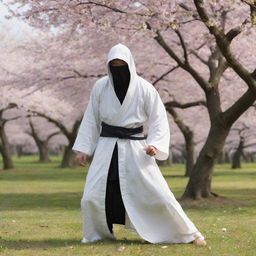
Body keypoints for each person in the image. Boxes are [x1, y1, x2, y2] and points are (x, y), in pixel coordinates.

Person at [72, 43, 206, 245]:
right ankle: (98, 234)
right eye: (114, 65)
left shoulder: (145, 88)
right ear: (109, 66)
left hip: (136, 148)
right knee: (92, 195)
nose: (118, 70)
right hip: (106, 147)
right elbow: (91, 118)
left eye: (121, 65)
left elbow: (159, 119)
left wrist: (155, 145)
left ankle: (188, 234)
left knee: (158, 193)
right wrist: (83, 148)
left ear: (129, 65)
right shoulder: (100, 86)